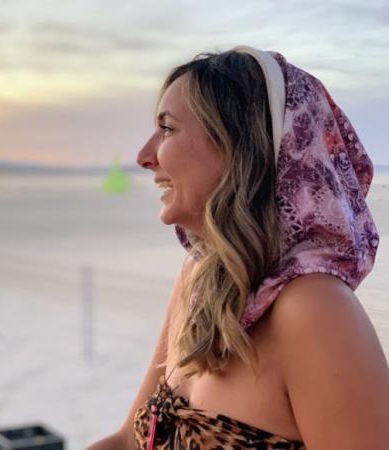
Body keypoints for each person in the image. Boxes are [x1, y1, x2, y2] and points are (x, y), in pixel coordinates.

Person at [85, 46, 389, 450]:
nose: (144, 156)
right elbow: (127, 442)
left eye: (168, 128)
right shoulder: (200, 279)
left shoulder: (312, 309)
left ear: (241, 146)